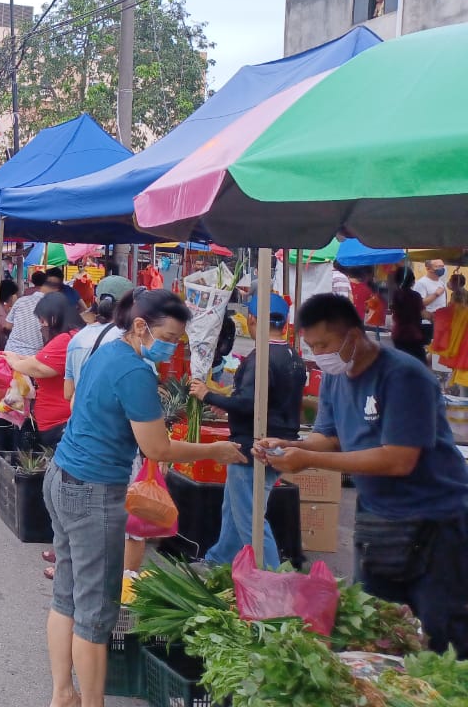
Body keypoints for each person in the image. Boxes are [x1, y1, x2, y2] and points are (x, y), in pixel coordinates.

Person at [45, 289, 245, 707]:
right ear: (140, 327)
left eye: (178, 340)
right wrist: (215, 450)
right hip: (92, 491)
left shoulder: (105, 345)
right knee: (96, 615)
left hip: (62, 476)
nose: (172, 348)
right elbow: (158, 448)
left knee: (67, 594)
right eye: (169, 337)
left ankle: (64, 692)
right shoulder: (135, 371)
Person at [258, 293, 468, 655]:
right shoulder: (336, 378)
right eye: (311, 346)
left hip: (435, 521)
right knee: (374, 629)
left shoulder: (405, 376)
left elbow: (398, 459)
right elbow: (330, 437)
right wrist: (291, 446)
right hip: (377, 519)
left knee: (441, 637)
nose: (317, 355)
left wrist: (308, 461)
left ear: (353, 336)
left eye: (323, 345)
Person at [191, 293, 306, 567]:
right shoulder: (292, 355)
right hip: (280, 442)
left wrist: (208, 395)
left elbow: (247, 404)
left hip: (254, 446)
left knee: (250, 518)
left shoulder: (262, 357)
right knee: (233, 509)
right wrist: (226, 402)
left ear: (253, 320)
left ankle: (272, 579)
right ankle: (218, 559)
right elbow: (264, 402)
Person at [5, 292, 83, 447]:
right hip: (61, 421)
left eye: (42, 318)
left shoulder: (65, 339)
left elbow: (39, 367)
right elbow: (42, 361)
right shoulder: (75, 335)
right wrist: (18, 357)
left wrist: (14, 362)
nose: (41, 323)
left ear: (53, 317)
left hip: (60, 423)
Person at [63, 295, 119, 399]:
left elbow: (68, 394)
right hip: (113, 411)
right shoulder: (125, 337)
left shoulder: (76, 339)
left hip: (84, 411)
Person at [388, 265, 428, 364]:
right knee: (421, 363)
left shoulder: (395, 295)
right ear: (412, 281)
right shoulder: (415, 296)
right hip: (413, 335)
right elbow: (423, 314)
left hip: (398, 334)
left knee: (402, 362)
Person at [4, 271, 48, 355]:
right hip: (34, 354)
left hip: (11, 350)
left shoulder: (22, 300)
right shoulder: (51, 305)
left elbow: (7, 326)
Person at [415, 258, 448, 345]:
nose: (441, 269)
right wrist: (435, 295)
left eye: (442, 266)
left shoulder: (441, 282)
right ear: (428, 268)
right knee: (428, 348)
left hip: (441, 322)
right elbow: (418, 303)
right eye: (438, 266)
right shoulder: (422, 283)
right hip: (428, 323)